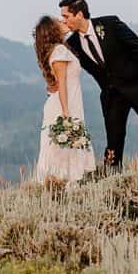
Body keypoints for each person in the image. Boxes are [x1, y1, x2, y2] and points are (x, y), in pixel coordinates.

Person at [59, 0, 138, 171]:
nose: (63, 20)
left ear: (79, 15)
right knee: (114, 141)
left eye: (66, 16)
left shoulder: (110, 24)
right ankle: (112, 177)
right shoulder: (72, 43)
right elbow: (58, 63)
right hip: (111, 97)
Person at [31, 15, 97, 185]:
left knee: (66, 149)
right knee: (61, 149)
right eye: (59, 22)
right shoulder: (59, 51)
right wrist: (67, 112)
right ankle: (59, 185)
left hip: (68, 101)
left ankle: (64, 186)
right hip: (64, 105)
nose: (63, 22)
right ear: (53, 29)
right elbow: (62, 84)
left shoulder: (59, 49)